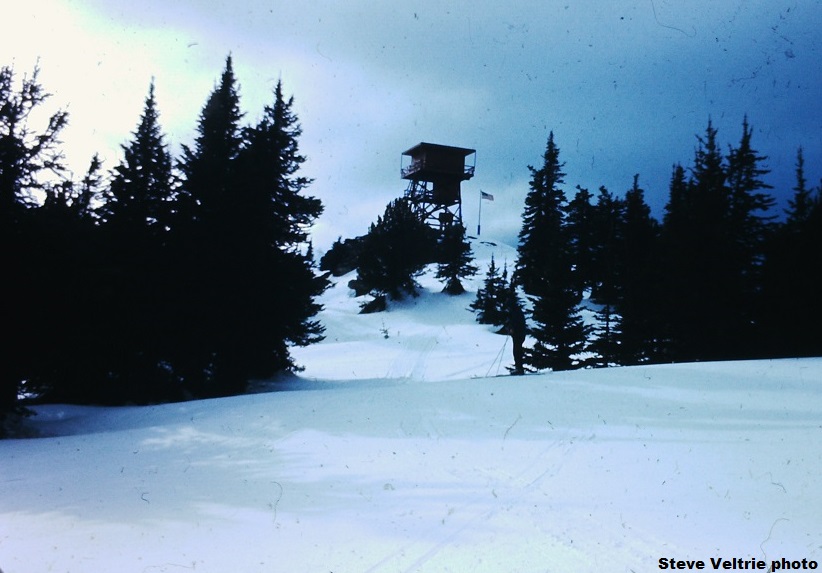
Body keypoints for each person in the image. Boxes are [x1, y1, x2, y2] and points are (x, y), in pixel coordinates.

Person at [506, 295, 526, 375]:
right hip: (519, 334)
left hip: (518, 334)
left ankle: (519, 368)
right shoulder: (516, 311)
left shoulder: (515, 312)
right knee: (517, 350)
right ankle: (519, 367)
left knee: (517, 351)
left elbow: (516, 323)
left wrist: (512, 329)